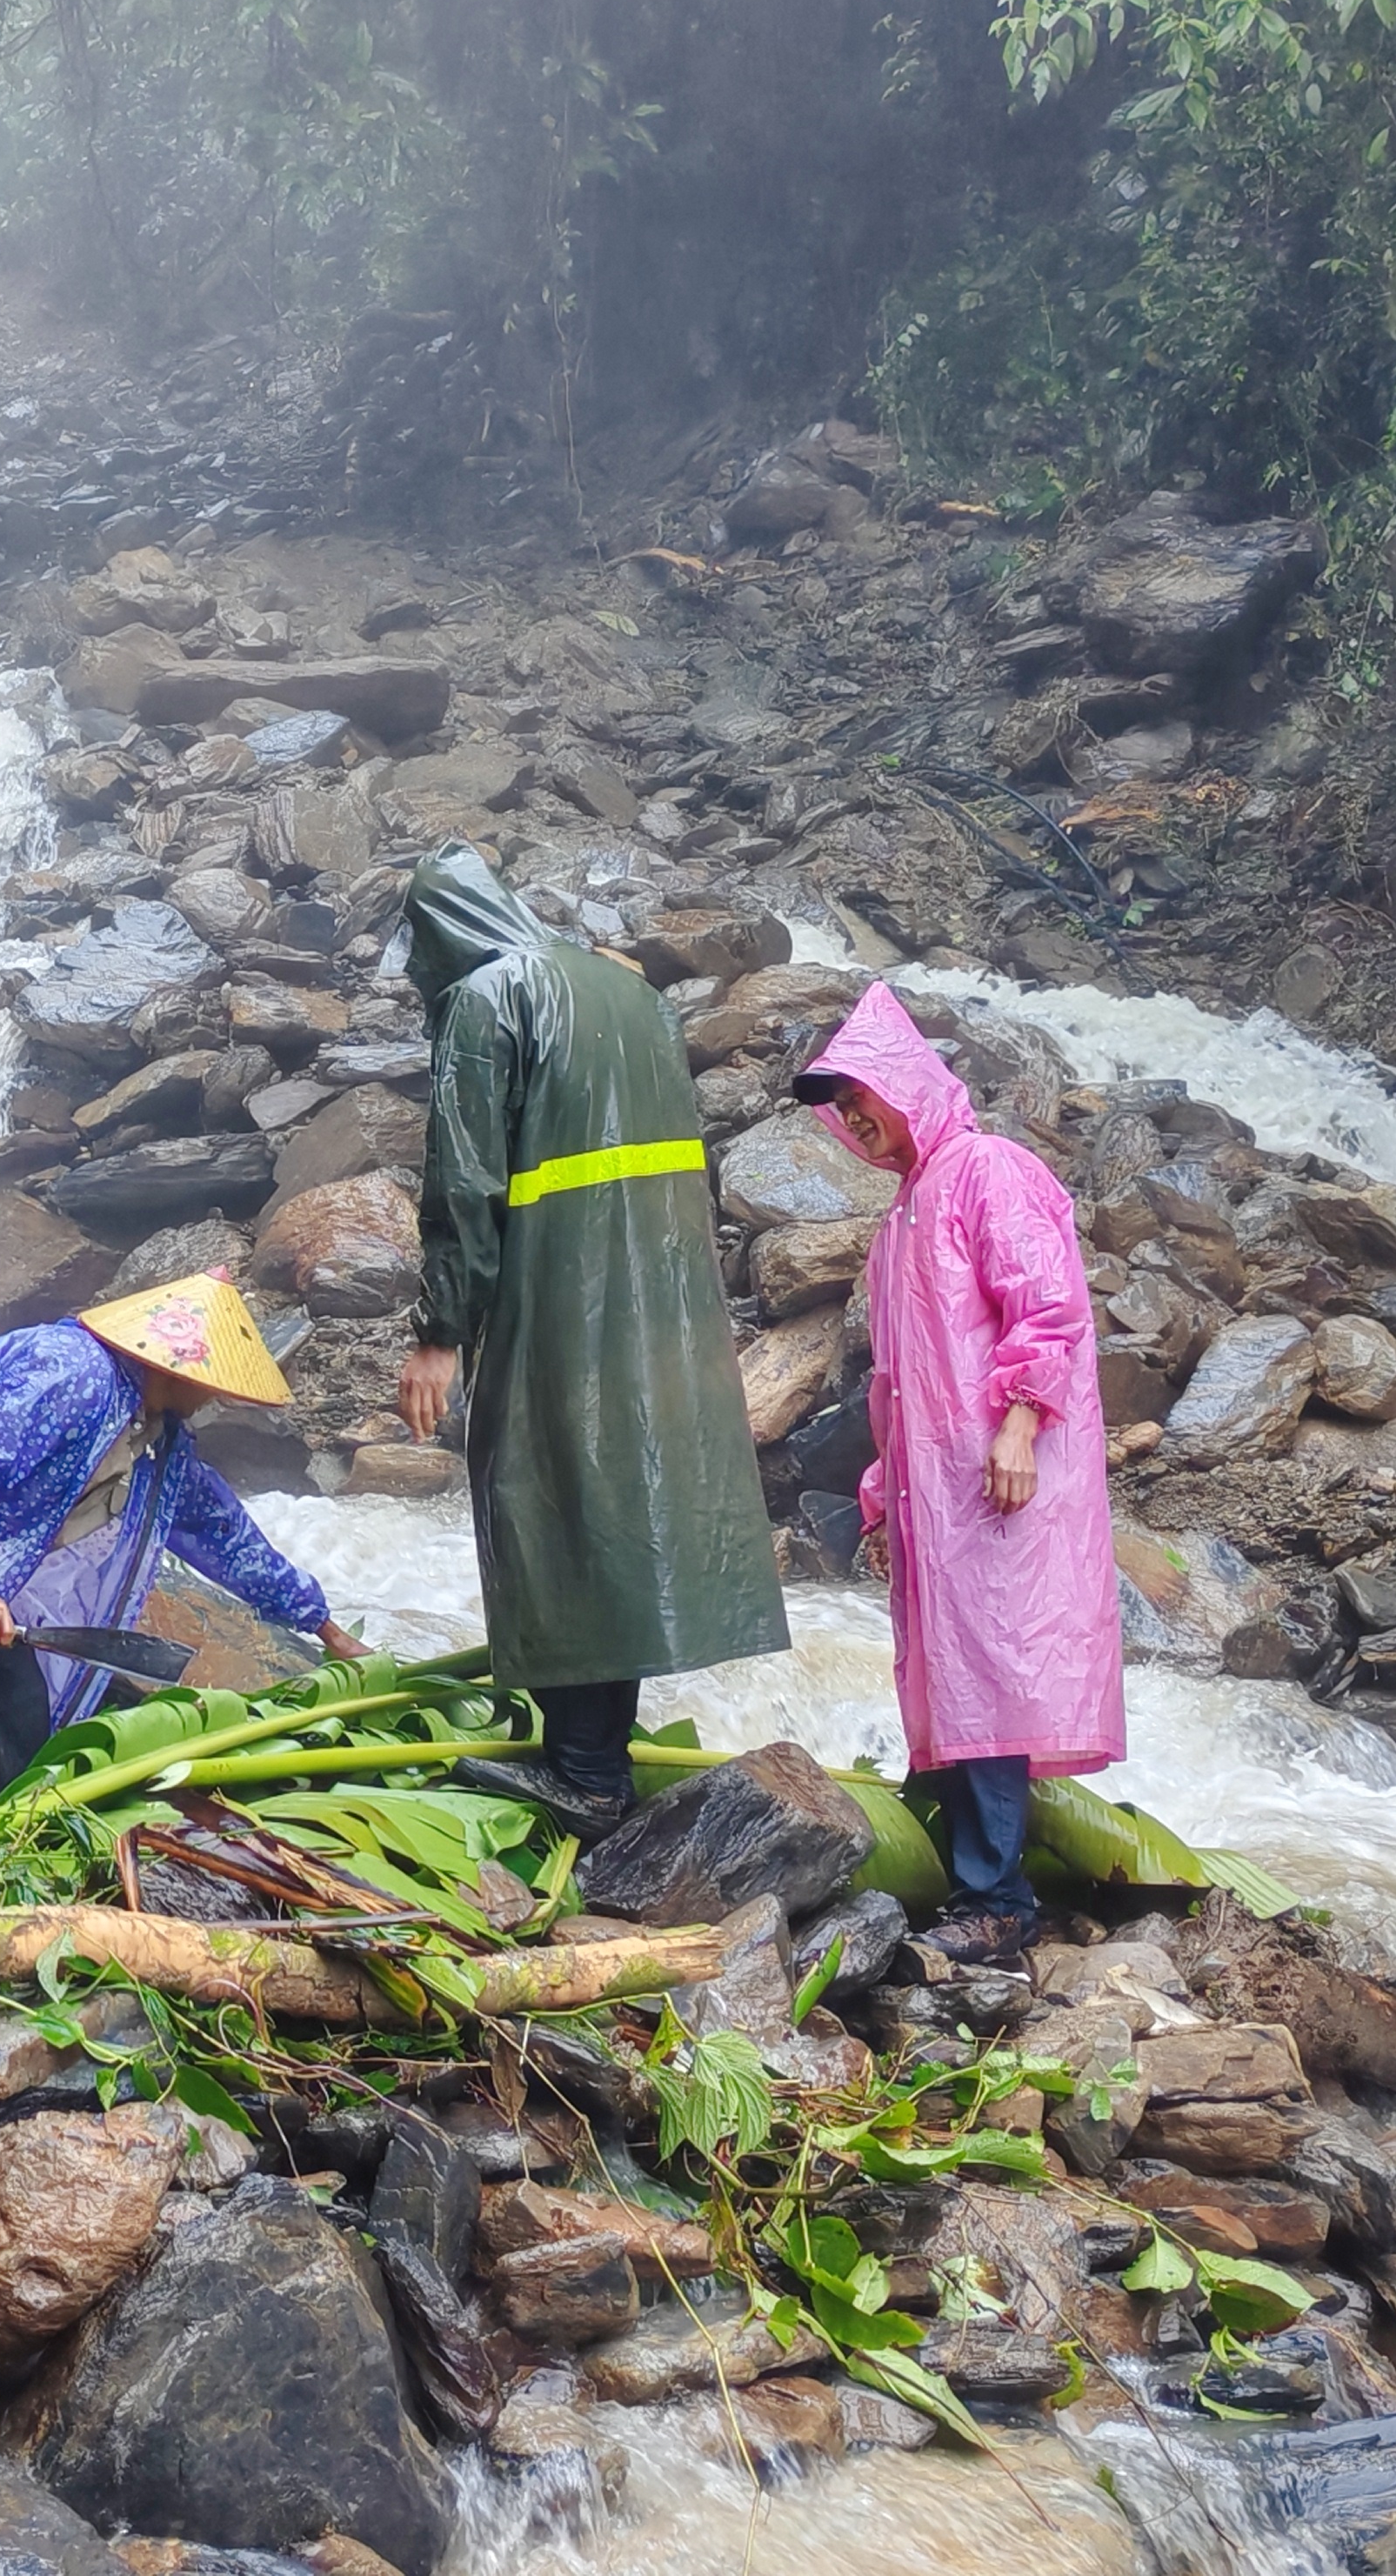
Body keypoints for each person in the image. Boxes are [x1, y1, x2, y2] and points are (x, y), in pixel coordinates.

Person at [393, 843, 787, 1839]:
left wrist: (440, 1329)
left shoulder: (490, 996)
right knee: (617, 1499)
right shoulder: (627, 995)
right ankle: (595, 1755)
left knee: (549, 1498)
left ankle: (583, 1776)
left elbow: (465, 1180)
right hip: (659, 1290)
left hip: (560, 1283)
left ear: (443, 931)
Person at [799, 981, 1123, 1966]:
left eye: (864, 1096)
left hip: (998, 1475)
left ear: (906, 1086)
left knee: (993, 1668)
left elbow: (1050, 1309)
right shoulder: (903, 1214)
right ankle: (975, 1871)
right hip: (941, 1488)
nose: (855, 1118)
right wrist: (880, 1492)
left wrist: (1020, 1426)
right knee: (960, 1667)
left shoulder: (986, 1169)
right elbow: (897, 1381)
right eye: (842, 1107)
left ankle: (1000, 1899)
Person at [0, 1271, 364, 1839]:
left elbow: (225, 1535)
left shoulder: (158, 1442)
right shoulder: (72, 1374)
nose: (215, 1398)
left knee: (16, 1715)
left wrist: (324, 1627)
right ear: (177, 1368)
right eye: (211, 1382)